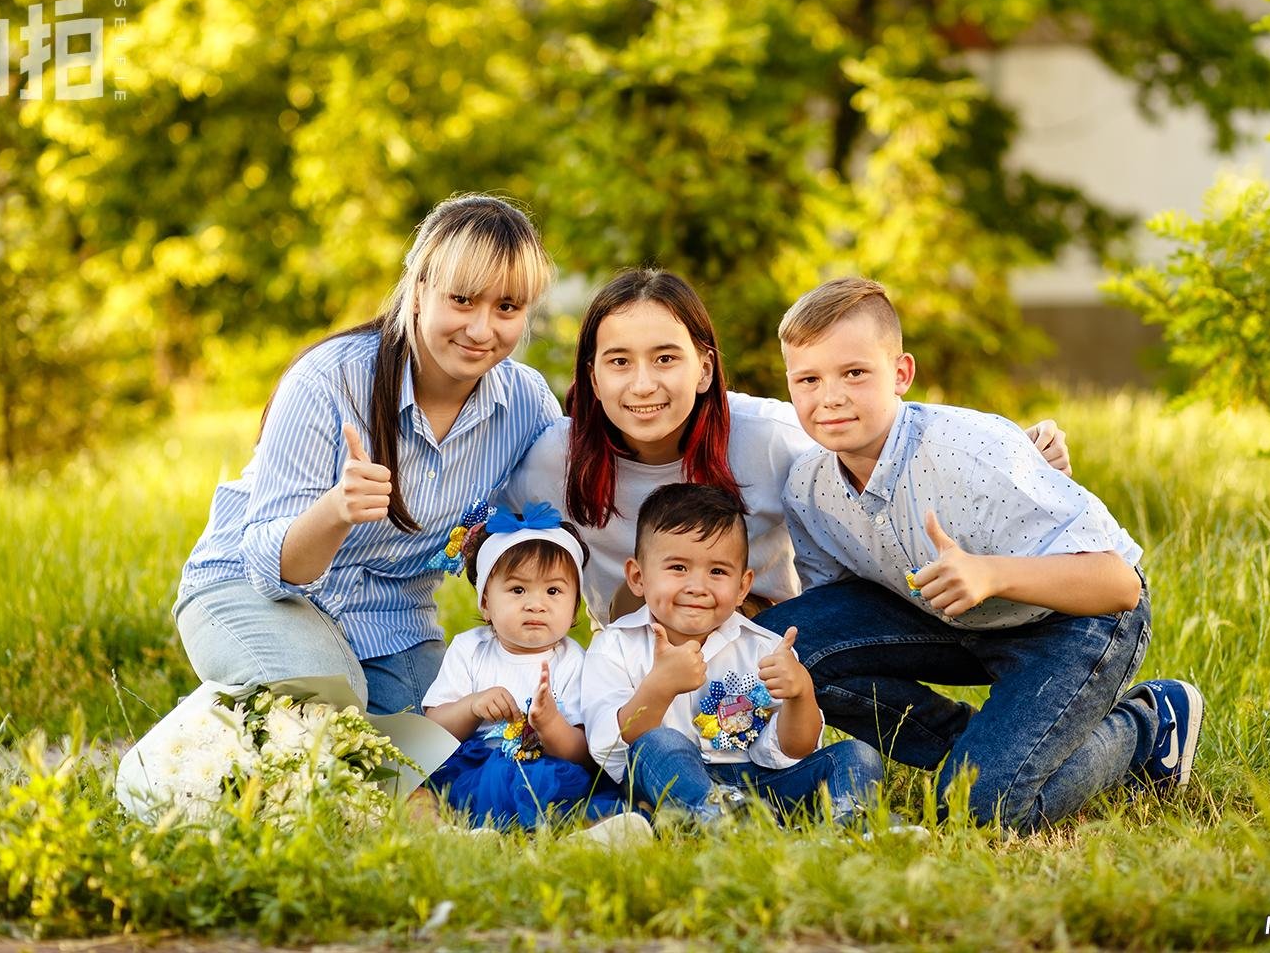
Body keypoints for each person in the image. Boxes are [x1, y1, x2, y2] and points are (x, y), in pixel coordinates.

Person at [759, 276, 1204, 833]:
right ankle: (978, 748)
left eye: (854, 373)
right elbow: (838, 618)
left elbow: (1120, 585)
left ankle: (1146, 726)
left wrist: (991, 573)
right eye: (808, 379)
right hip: (947, 621)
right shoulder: (809, 486)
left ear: (901, 374)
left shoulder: (972, 451)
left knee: (982, 812)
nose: (830, 397)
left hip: (1073, 622)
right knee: (789, 647)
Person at [505, 268, 1074, 627]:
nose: (644, 384)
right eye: (619, 362)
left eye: (666, 358)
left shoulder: (767, 437)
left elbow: (880, 430)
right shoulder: (557, 459)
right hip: (634, 656)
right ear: (593, 375)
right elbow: (497, 544)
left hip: (766, 641)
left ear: (705, 369)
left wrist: (1015, 453)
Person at [174, 195, 561, 715]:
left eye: (507, 307)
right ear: (420, 289)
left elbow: (554, 523)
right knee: (328, 706)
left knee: (433, 750)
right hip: (250, 591)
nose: (481, 329)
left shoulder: (527, 404)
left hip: (390, 619)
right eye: (463, 300)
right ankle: (177, 762)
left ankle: (256, 712)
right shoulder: (329, 380)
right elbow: (271, 568)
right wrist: (338, 509)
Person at [580, 483, 886, 826]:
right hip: (666, 781)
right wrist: (659, 688)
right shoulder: (616, 646)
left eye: (717, 571)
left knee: (857, 754)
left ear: (742, 586)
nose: (697, 586)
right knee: (660, 743)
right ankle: (716, 815)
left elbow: (793, 751)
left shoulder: (765, 648)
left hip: (760, 783)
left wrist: (802, 693)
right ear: (638, 577)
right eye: (678, 568)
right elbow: (608, 748)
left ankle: (850, 823)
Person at [421, 503, 622, 828]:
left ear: (574, 610)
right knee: (434, 789)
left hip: (549, 766)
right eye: (517, 589)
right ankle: (470, 832)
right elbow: (434, 730)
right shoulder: (470, 649)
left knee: (577, 793)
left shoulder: (574, 660)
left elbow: (583, 753)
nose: (535, 604)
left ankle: (586, 830)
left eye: (554, 591)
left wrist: (551, 724)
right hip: (480, 764)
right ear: (486, 603)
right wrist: (472, 706)